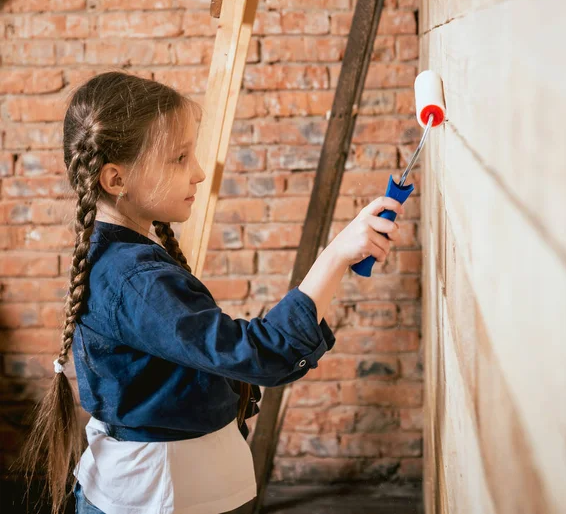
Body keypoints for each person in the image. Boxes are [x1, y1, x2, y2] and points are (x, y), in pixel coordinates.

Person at [18, 71, 405, 514]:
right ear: (115, 178)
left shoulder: (126, 263)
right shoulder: (134, 279)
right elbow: (262, 354)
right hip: (157, 496)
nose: (199, 173)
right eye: (180, 158)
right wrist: (334, 257)